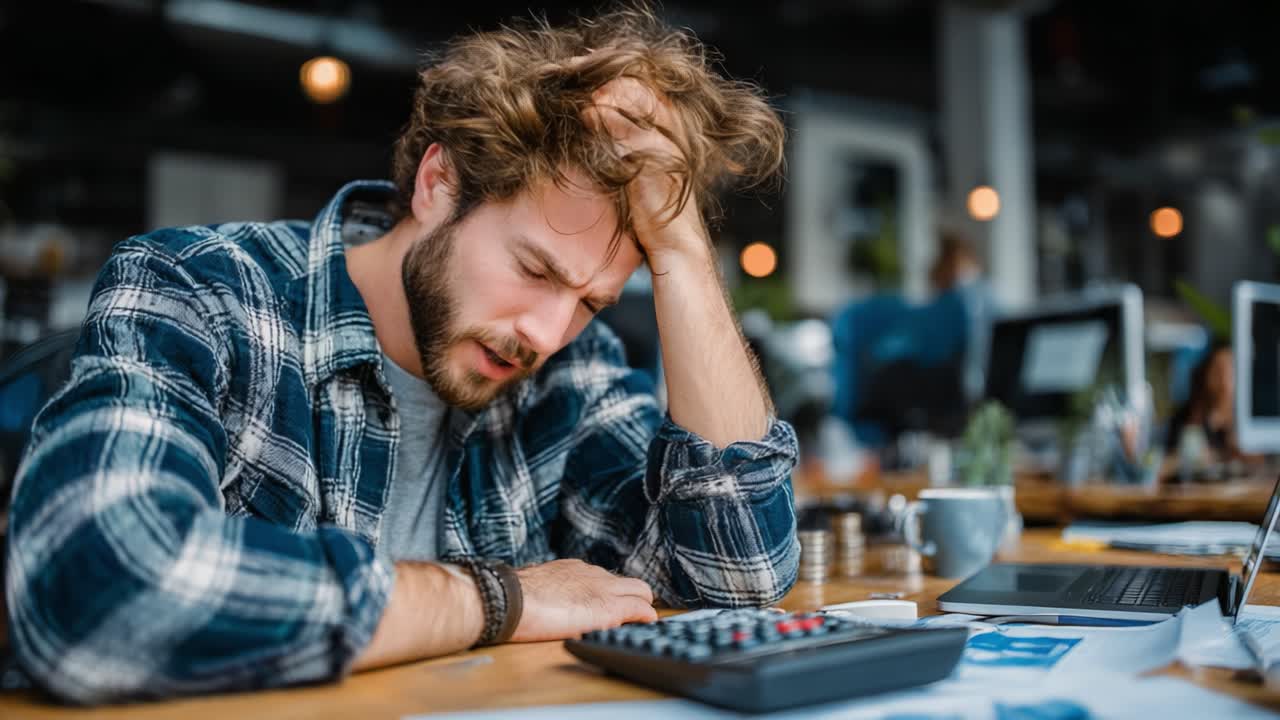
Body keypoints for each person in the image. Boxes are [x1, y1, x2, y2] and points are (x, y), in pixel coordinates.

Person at [3, 6, 799, 704]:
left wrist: (684, 254)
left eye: (591, 300)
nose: (548, 332)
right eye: (534, 269)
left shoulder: (571, 365)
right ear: (439, 183)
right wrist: (495, 600)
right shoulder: (202, 290)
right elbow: (95, 587)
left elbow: (739, 578)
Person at [1167, 342, 1262, 472]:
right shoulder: (1189, 415)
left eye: (1230, 371)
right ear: (1206, 375)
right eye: (1218, 371)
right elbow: (1176, 459)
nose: (1223, 379)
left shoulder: (1249, 416)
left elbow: (1261, 459)